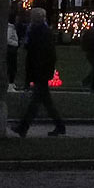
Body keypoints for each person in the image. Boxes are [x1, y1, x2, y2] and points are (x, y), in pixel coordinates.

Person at [14, 7, 65, 137]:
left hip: (40, 70)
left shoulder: (39, 32)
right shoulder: (41, 31)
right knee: (45, 102)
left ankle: (23, 127)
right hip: (41, 70)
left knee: (35, 102)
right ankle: (60, 126)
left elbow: (39, 53)